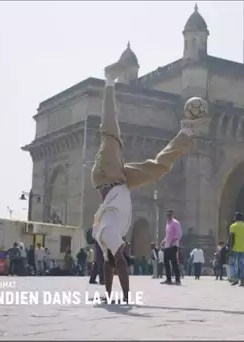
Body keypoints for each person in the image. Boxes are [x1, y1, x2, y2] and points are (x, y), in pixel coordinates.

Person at [90, 60, 203, 302]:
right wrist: (112, 296)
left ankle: (109, 81)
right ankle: (185, 134)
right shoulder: (110, 237)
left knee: (110, 133)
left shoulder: (107, 233)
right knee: (156, 169)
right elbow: (112, 264)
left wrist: (127, 297)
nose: (125, 249)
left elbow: (117, 262)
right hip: (119, 181)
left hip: (106, 174)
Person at [161, 210, 183, 285]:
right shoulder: (167, 224)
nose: (168, 216)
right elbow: (168, 235)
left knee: (174, 263)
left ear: (172, 215)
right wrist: (164, 241)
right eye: (167, 215)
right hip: (167, 246)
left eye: (169, 215)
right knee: (166, 262)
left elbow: (179, 234)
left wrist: (173, 241)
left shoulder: (175, 223)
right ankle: (168, 279)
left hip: (173, 246)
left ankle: (177, 279)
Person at [229, 212, 244, 286]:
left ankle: (235, 279)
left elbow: (232, 238)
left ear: (236, 218)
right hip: (243, 249)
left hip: (235, 248)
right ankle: (242, 281)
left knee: (235, 265)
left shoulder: (233, 226)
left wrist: (231, 248)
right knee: (242, 265)